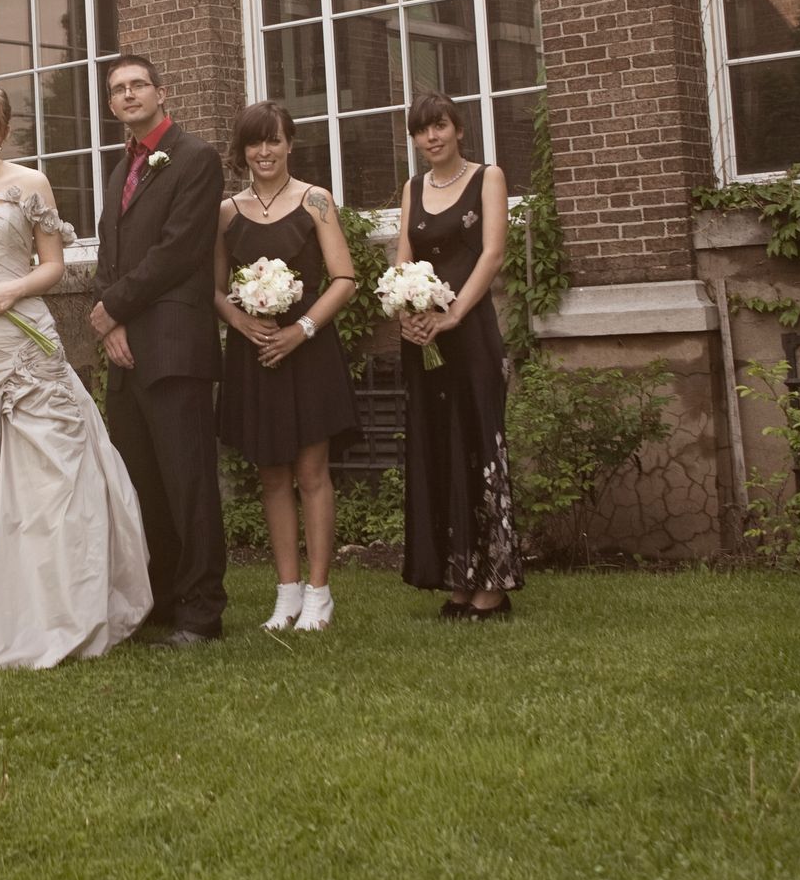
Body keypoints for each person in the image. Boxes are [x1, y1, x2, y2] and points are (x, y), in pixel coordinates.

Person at [0, 85, 149, 672]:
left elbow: (54, 265)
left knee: (49, 477)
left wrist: (13, 288)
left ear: (4, 129)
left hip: (25, 340)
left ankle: (54, 609)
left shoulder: (31, 184)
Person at [89, 53, 227, 645]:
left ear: (161, 93)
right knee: (143, 482)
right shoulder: (121, 169)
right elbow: (108, 254)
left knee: (188, 482)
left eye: (137, 85)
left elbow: (178, 251)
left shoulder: (195, 159)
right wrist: (111, 324)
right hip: (126, 353)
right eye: (117, 90)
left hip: (174, 347)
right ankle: (164, 598)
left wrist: (115, 308)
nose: (127, 95)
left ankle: (203, 609)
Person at [214, 101, 360, 634]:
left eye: (274, 140)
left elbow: (344, 279)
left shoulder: (315, 201)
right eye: (255, 142)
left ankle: (320, 594)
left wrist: (302, 331)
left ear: (290, 144)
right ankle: (287, 593)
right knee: (271, 475)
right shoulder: (227, 212)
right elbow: (212, 288)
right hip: (256, 353)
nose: (265, 151)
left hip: (309, 350)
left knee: (311, 472)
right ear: (243, 151)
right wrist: (240, 321)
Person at [394, 89, 523, 620]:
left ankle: (492, 585)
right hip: (424, 337)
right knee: (438, 445)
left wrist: (452, 315)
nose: (432, 136)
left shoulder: (487, 177)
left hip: (469, 334)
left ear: (459, 129)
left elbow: (492, 254)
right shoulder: (412, 188)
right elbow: (404, 255)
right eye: (422, 130)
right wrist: (406, 309)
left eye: (440, 125)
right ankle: (457, 578)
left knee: (477, 442)